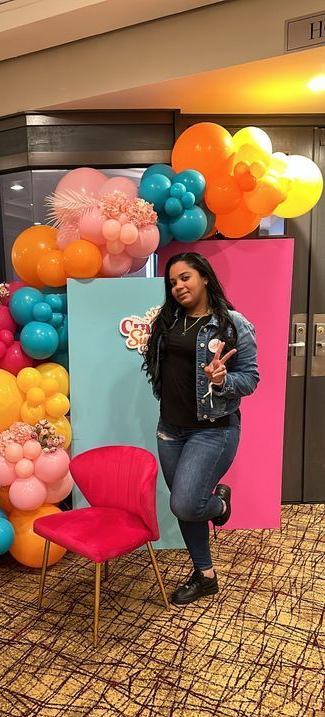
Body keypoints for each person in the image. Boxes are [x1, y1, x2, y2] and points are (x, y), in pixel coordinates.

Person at [143, 252, 259, 606]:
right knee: (184, 506)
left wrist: (223, 379)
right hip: (170, 429)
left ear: (205, 277)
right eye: (173, 282)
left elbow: (251, 378)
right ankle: (205, 575)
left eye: (185, 278)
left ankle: (219, 505)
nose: (178, 286)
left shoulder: (233, 324)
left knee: (187, 503)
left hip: (213, 429)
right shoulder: (168, 322)